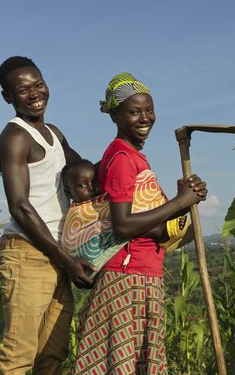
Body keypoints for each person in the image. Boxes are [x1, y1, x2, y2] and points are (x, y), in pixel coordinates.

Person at [74, 72, 207, 375]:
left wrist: (183, 200)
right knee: (121, 366)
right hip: (126, 278)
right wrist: (179, 203)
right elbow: (122, 225)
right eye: (134, 112)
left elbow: (148, 223)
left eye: (149, 110)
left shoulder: (134, 157)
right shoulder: (122, 157)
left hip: (142, 274)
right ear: (115, 116)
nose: (145, 118)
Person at [0, 56, 95, 375]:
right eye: (23, 90)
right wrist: (66, 260)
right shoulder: (15, 137)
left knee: (52, 355)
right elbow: (20, 207)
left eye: (38, 84)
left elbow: (89, 171)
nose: (35, 93)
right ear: (8, 97)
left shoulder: (54, 134)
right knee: (18, 356)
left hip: (56, 254)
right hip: (28, 254)